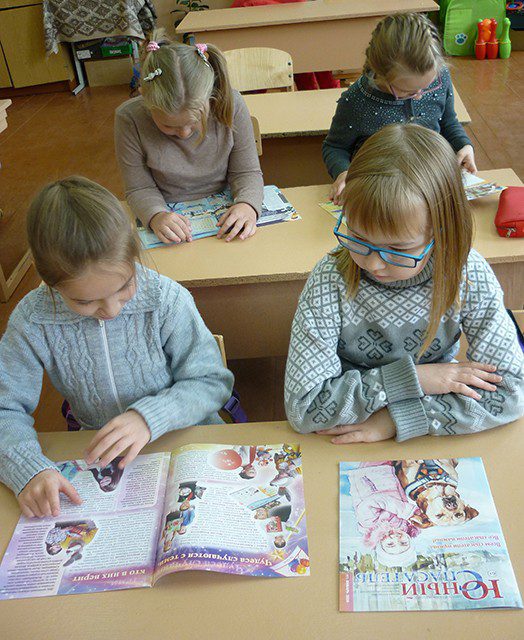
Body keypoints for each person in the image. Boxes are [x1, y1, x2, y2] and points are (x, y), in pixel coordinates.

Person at [0, 176, 234, 518]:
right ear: (48, 281)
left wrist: (148, 417)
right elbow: (4, 408)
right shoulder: (32, 321)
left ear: (133, 253)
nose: (110, 310)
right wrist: (28, 469)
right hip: (104, 457)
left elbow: (212, 382)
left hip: (187, 437)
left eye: (124, 286)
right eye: (85, 301)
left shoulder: (166, 299)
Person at [285, 123, 524, 442]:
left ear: (442, 230)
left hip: (401, 424)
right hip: (349, 432)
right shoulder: (330, 279)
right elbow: (305, 407)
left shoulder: (467, 273)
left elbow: (512, 393)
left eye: (398, 249)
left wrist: (399, 419)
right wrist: (415, 379)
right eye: (357, 236)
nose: (373, 263)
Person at [115, 29, 263, 244]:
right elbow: (139, 187)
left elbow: (247, 171)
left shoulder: (231, 104)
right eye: (169, 126)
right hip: (166, 210)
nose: (184, 133)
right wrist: (156, 215)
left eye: (194, 122)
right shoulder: (129, 118)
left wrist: (247, 205)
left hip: (226, 210)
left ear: (210, 97)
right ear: (144, 96)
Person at [323, 12, 476, 205]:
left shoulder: (440, 75)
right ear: (380, 73)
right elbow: (335, 147)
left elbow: (447, 121)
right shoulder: (356, 101)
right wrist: (343, 172)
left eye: (427, 86)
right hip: (379, 193)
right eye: (406, 91)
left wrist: (464, 145)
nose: (419, 95)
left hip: (430, 185)